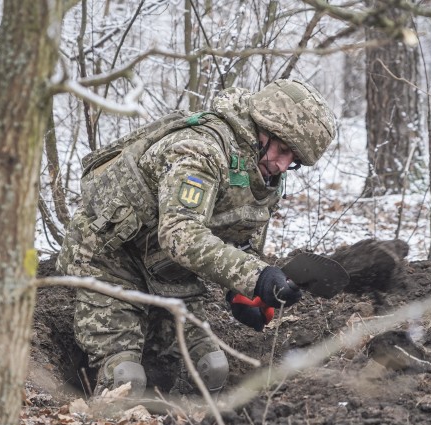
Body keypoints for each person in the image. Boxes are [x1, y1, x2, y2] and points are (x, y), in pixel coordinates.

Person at [57, 79, 336, 397]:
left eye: (294, 160)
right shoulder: (199, 150)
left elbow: (241, 238)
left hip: (171, 274)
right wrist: (254, 277)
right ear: (262, 127)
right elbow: (181, 235)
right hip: (111, 260)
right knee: (126, 378)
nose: (282, 165)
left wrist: (241, 293)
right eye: (283, 149)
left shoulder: (266, 176)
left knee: (211, 369)